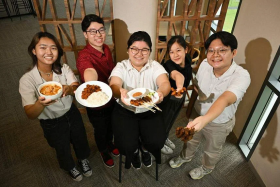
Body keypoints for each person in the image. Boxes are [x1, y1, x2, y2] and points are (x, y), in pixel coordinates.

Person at [169, 31, 251, 180]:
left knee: (212, 150)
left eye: (222, 50)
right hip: (197, 113)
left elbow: (225, 99)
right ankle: (185, 157)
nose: (215, 55)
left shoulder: (242, 76)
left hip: (220, 123)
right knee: (190, 139)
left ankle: (207, 168)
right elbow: (198, 84)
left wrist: (205, 119)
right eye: (211, 51)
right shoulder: (206, 64)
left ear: (233, 52)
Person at [19, 32, 92, 182]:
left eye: (53, 48)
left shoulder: (63, 68)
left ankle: (83, 159)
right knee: (61, 147)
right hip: (51, 121)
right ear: (34, 50)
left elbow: (75, 85)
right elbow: (30, 114)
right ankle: (70, 166)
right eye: (43, 47)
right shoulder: (27, 80)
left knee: (80, 138)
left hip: (71, 112)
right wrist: (40, 103)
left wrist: (70, 89)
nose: (48, 52)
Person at [109, 31, 171, 169]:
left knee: (156, 141)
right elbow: (114, 84)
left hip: (149, 109)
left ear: (149, 52)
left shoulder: (154, 66)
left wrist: (161, 92)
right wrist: (120, 91)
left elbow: (165, 83)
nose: (139, 53)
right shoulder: (121, 66)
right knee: (125, 145)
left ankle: (144, 149)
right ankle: (135, 151)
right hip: (125, 110)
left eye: (144, 50)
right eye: (134, 49)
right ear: (128, 50)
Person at [76, 14, 119, 168]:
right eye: (93, 31)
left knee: (111, 125)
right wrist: (92, 83)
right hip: (97, 104)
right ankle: (102, 150)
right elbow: (89, 71)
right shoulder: (83, 56)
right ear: (85, 34)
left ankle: (110, 142)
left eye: (101, 30)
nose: (99, 35)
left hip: (112, 98)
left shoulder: (106, 48)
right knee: (100, 129)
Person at [160, 35, 192, 155]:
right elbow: (178, 76)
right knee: (164, 121)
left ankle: (165, 136)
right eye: (172, 52)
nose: (175, 55)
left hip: (179, 97)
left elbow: (187, 75)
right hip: (168, 98)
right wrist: (179, 88)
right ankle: (160, 142)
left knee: (172, 120)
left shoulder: (187, 60)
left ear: (186, 49)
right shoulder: (169, 64)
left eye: (178, 50)